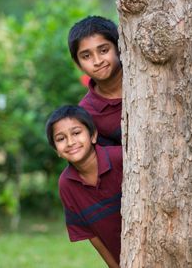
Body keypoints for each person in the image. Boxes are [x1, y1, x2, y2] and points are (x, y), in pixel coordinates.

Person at [45, 105, 122, 268]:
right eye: (60, 138)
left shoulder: (120, 158)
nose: (70, 142)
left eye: (76, 133)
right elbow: (92, 235)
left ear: (93, 135)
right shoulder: (66, 184)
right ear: (56, 150)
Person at [68, 16, 122, 146]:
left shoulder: (147, 78)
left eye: (104, 50)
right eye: (86, 56)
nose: (97, 61)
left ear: (120, 48)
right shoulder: (87, 113)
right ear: (78, 64)